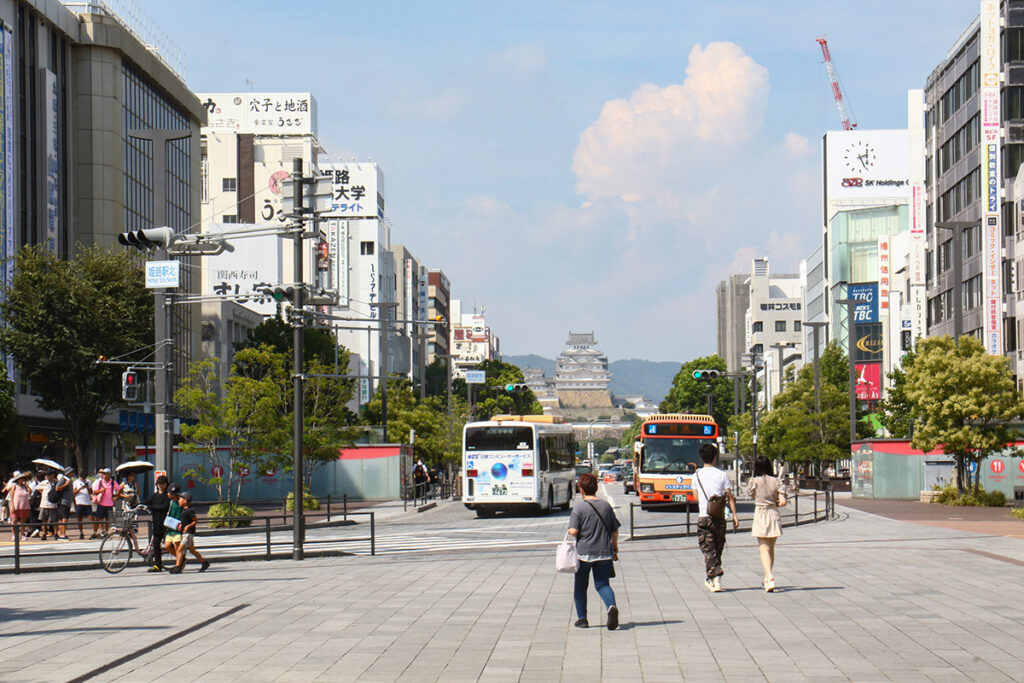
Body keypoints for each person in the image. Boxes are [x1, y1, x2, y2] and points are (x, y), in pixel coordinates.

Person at [567, 472, 620, 630]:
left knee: (581, 586)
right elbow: (614, 531)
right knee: (602, 584)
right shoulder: (605, 506)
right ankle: (611, 606)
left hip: (584, 554)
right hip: (604, 552)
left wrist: (570, 530)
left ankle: (582, 619)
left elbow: (574, 531)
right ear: (596, 488)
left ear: (581, 490)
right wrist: (614, 547)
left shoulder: (579, 507)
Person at [692, 443, 738, 592]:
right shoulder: (722, 474)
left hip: (704, 516)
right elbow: (729, 496)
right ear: (715, 457)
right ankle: (713, 578)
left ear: (701, 457)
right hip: (719, 517)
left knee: (707, 549)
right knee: (717, 549)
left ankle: (714, 579)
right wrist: (735, 515)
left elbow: (695, 497)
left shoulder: (696, 475)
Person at [746, 456, 786, 592]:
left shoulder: (754, 481)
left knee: (763, 548)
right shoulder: (776, 481)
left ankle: (769, 577)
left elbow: (751, 496)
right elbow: (783, 502)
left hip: (760, 513)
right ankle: (767, 577)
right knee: (771, 548)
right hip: (773, 514)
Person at [168, 491, 209, 574]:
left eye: (180, 499)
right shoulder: (183, 511)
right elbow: (185, 521)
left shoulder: (190, 510)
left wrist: (187, 527)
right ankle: (204, 563)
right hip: (186, 533)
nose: (178, 500)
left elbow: (195, 521)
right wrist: (181, 526)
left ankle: (178, 567)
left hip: (188, 534)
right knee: (192, 550)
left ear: (185, 501)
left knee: (179, 550)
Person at [143, 475, 171, 572]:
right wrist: (139, 504)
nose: (160, 486)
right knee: (156, 545)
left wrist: (152, 507)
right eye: (159, 484)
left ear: (166, 484)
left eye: (162, 484)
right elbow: (148, 501)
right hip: (157, 523)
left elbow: (164, 507)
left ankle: (180, 560)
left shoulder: (168, 495)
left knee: (170, 545)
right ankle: (158, 565)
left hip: (166, 524)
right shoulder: (155, 495)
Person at [91, 468, 119, 537]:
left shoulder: (112, 482)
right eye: (103, 473)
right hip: (101, 503)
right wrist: (101, 490)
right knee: (98, 519)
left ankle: (106, 532)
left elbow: (119, 488)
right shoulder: (100, 482)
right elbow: (95, 492)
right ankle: (97, 531)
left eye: (105, 473)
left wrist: (116, 496)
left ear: (109, 474)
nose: (104, 475)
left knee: (107, 519)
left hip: (109, 504)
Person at [5, 471, 32, 541]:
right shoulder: (14, 486)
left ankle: (22, 534)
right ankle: (14, 535)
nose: (22, 480)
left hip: (24, 505)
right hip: (16, 505)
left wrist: (27, 485)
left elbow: (30, 491)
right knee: (14, 520)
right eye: (21, 478)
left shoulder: (25, 486)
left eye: (23, 478)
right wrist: (12, 505)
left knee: (23, 520)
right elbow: (11, 496)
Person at [35, 470, 59, 540]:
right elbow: (37, 488)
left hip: (54, 503)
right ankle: (44, 533)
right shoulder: (44, 482)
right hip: (44, 503)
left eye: (50, 475)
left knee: (54, 520)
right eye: (47, 475)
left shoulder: (56, 482)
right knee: (44, 520)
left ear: (53, 475)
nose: (48, 477)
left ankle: (55, 533)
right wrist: (43, 493)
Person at [163, 483, 183, 562]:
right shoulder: (171, 502)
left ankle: (178, 564)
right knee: (167, 546)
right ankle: (181, 559)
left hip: (178, 527)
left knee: (177, 547)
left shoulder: (180, 502)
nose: (168, 494)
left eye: (169, 493)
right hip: (170, 527)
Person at [72, 471, 93, 540]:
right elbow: (74, 492)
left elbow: (91, 492)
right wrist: (81, 487)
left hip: (87, 502)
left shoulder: (89, 482)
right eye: (82, 478)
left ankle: (94, 532)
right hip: (79, 502)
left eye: (85, 478)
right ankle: (81, 532)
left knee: (91, 517)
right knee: (79, 518)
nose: (84, 479)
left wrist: (87, 487)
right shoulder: (76, 482)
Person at [55, 467, 73, 540]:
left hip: (68, 502)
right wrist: (65, 484)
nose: (73, 473)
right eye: (72, 472)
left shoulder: (69, 479)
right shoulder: (64, 479)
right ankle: (62, 534)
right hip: (63, 502)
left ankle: (62, 533)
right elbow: (57, 488)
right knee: (64, 518)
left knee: (65, 519)